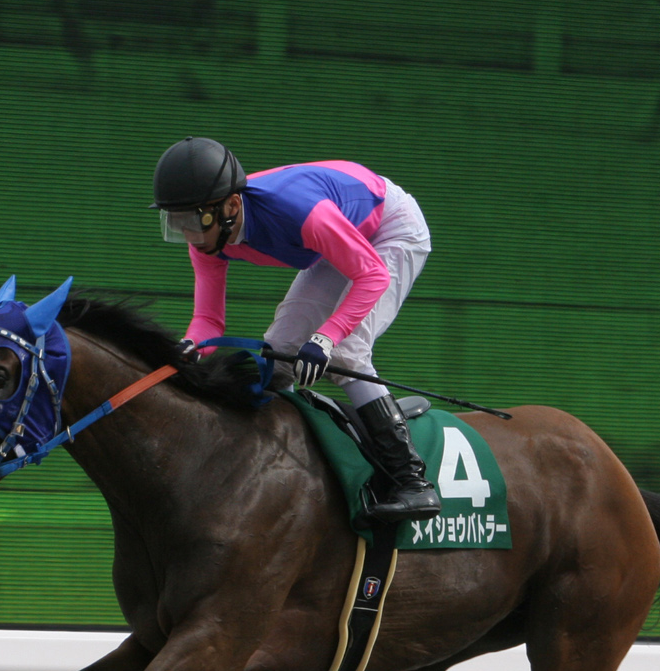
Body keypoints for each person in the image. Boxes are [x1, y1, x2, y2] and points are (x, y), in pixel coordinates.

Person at [152, 136, 442, 524]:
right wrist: (188, 346)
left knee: (346, 352)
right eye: (177, 223)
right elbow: (208, 321)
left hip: (391, 229)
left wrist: (326, 336)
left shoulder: (299, 212)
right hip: (340, 236)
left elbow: (372, 275)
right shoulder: (209, 240)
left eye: (193, 220)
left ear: (231, 206)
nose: (188, 235)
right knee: (279, 352)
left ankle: (413, 482)